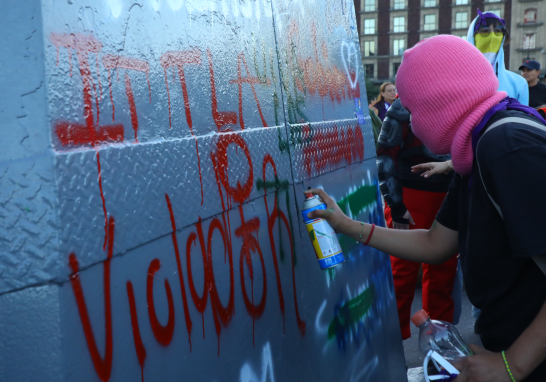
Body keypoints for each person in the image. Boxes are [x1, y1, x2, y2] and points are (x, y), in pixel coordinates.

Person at [308, 35, 546, 381]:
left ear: (441, 102)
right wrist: (346, 226)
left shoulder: (504, 146)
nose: (412, 120)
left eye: (414, 108)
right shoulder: (475, 149)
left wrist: (513, 364)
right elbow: (436, 244)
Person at [376, 98, 457, 340]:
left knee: (443, 273)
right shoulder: (404, 106)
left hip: (449, 195)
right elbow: (385, 155)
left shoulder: (459, 101)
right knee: (401, 271)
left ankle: (441, 340)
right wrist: (396, 203)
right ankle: (391, 341)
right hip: (410, 197)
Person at [468, 10, 529, 105]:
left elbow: (522, 117)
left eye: (498, 31)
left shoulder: (518, 83)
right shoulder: (456, 81)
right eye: (484, 31)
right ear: (472, 36)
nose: (492, 37)